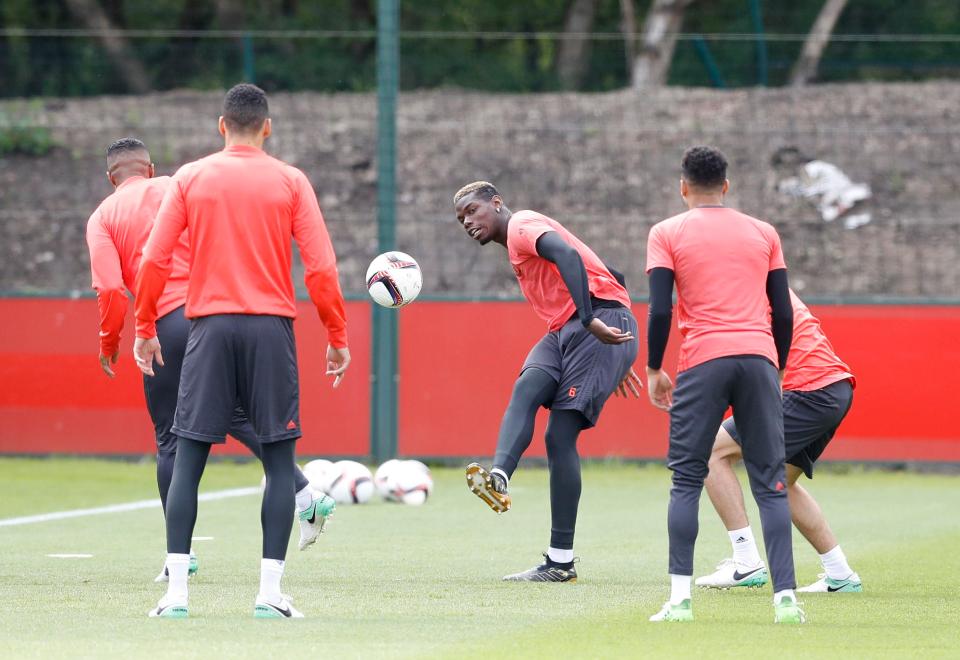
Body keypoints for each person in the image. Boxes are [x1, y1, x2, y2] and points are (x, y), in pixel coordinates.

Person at [133, 84, 350, 619]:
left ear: (221, 125)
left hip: (207, 325)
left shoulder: (189, 177)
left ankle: (176, 595)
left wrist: (144, 325)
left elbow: (155, 260)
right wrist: (337, 336)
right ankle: (269, 595)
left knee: (187, 458)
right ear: (268, 128)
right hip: (270, 329)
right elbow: (320, 269)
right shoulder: (291, 180)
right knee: (280, 462)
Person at [86, 138, 334, 585]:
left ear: (111, 179)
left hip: (164, 322)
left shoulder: (103, 217)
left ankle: (178, 556)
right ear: (150, 167)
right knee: (238, 414)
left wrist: (111, 342)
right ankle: (304, 492)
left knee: (172, 440)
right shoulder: (179, 185)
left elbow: (108, 289)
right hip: (214, 313)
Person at [644, 146, 802, 623]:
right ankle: (786, 599)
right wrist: (775, 365)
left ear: (683, 186)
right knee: (772, 484)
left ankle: (679, 600)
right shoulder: (763, 231)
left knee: (687, 481)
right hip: (758, 359)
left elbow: (660, 309)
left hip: (702, 361)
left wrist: (654, 368)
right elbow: (784, 308)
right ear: (727, 186)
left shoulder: (666, 231)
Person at [454, 181, 641, 583]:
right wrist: (620, 355)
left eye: (472, 210)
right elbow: (615, 274)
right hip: (567, 331)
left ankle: (560, 563)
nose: (467, 221)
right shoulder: (518, 250)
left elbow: (568, 255)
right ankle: (499, 478)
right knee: (526, 388)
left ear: (497, 203)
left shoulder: (521, 225)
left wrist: (597, 322)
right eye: (461, 218)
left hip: (593, 323)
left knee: (559, 436)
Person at [696, 290, 860, 593]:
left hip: (807, 391)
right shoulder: (765, 281)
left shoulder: (743, 290)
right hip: (833, 389)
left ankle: (745, 561)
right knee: (781, 483)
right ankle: (840, 574)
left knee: (710, 452)